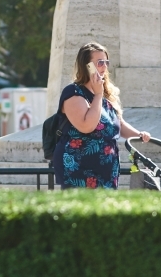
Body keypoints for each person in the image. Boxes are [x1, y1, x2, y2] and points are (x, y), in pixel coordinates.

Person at [53, 42, 151, 189]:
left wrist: (139, 134)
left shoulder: (105, 96)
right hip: (79, 172)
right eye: (99, 62)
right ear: (87, 66)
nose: (104, 67)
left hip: (107, 172)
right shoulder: (73, 92)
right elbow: (87, 126)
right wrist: (98, 95)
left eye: (106, 62)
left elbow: (119, 125)